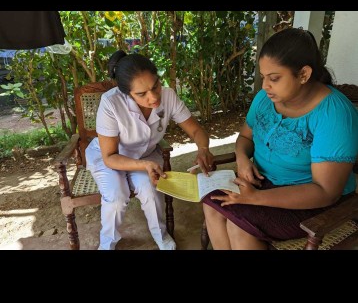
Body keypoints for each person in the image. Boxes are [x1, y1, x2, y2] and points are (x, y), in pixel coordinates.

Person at [202, 27, 358, 250]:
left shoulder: (334, 115)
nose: (265, 86)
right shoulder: (265, 99)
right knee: (214, 206)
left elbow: (326, 193)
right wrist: (242, 159)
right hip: (263, 182)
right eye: (263, 76)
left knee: (239, 225)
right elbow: (245, 137)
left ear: (304, 74)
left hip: (312, 201)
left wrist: (254, 198)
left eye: (274, 78)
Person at [86, 50, 214, 250]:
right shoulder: (111, 103)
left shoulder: (168, 96)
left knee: (150, 189)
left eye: (155, 86)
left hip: (145, 156)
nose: (153, 97)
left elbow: (196, 130)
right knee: (116, 196)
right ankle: (107, 244)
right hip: (111, 158)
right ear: (126, 93)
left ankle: (161, 237)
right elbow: (110, 156)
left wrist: (203, 148)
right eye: (141, 94)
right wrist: (143, 164)